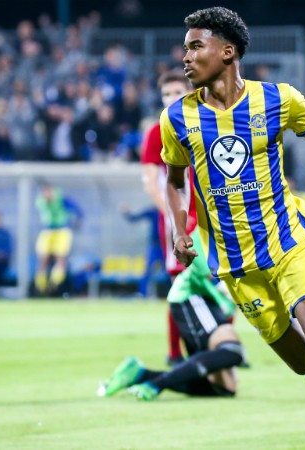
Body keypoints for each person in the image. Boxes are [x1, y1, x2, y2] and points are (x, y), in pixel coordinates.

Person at [160, 8, 305, 449]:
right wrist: (178, 228)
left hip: (287, 241)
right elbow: (174, 180)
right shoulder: (177, 119)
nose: (185, 57)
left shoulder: (279, 99)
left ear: (227, 52)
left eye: (195, 46)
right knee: (301, 361)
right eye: (185, 49)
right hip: (235, 263)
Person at [98, 230, 245, 401]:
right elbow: (198, 252)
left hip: (212, 303)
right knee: (232, 352)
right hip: (192, 296)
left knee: (225, 388)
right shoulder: (214, 225)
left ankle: (140, 375)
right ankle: (155, 385)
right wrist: (222, 284)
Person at [140, 71, 196, 365]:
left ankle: (221, 344)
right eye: (166, 94)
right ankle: (175, 352)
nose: (171, 98)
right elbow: (150, 182)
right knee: (181, 284)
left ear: (189, 92)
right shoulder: (156, 132)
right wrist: (176, 218)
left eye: (177, 92)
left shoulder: (205, 122)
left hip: (212, 216)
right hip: (180, 219)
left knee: (223, 281)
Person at [33, 184, 83, 295]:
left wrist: (78, 220)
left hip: (62, 230)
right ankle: (40, 287)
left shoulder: (62, 200)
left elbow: (77, 210)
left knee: (60, 258)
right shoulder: (41, 201)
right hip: (48, 230)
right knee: (43, 258)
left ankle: (55, 284)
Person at [119, 203, 164, 297]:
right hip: (155, 245)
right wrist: (126, 213)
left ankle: (172, 294)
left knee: (171, 270)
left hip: (167, 245)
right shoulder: (153, 211)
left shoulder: (169, 211)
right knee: (148, 270)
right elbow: (134, 218)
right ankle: (142, 293)